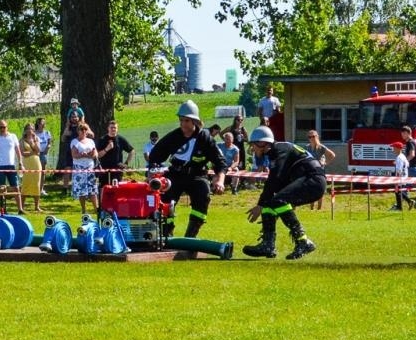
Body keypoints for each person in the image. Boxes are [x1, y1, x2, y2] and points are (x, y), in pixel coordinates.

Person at [242, 126, 326, 259]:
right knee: (271, 203)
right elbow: (279, 184)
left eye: (254, 145)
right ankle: (268, 245)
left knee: (276, 201)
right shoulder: (277, 150)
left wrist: (260, 205)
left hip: (313, 180)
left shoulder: (278, 151)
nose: (252, 149)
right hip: (310, 179)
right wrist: (265, 204)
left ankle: (303, 241)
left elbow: (274, 179)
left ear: (263, 144)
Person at [147, 101, 227, 239]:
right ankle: (166, 235)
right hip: (175, 175)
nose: (183, 124)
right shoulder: (173, 137)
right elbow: (155, 156)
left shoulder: (205, 138)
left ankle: (190, 237)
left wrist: (220, 181)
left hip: (198, 175)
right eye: (181, 120)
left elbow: (220, 163)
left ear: (195, 121)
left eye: (187, 120)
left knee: (203, 195)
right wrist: (152, 174)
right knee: (165, 201)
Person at [0, 119, 24, 212]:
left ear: (7, 127)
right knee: (1, 189)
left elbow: (17, 150)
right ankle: (3, 209)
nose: (2, 129)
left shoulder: (13, 136)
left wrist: (20, 162)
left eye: (3, 127)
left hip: (11, 166)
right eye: (0, 127)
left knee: (16, 187)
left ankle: (20, 209)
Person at [68, 121, 99, 215]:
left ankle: (96, 208)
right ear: (78, 131)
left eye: (85, 129)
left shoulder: (91, 141)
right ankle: (83, 209)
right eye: (82, 129)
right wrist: (82, 155)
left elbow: (95, 154)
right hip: (79, 168)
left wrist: (91, 155)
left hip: (90, 167)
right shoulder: (74, 141)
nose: (84, 131)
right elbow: (74, 155)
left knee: (92, 189)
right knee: (82, 190)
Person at [94, 119, 133, 188]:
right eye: (111, 127)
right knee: (104, 189)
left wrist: (126, 163)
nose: (113, 129)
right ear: (108, 128)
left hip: (117, 171)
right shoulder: (102, 139)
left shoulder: (120, 139)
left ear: (117, 129)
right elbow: (98, 155)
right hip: (104, 170)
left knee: (117, 190)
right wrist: (107, 149)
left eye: (115, 127)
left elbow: (132, 151)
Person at [303, 129, 335, 209]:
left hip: (320, 171)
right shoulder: (307, 147)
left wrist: (325, 163)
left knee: (320, 190)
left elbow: (332, 155)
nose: (311, 138)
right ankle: (311, 208)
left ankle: (319, 208)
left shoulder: (321, 147)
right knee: (311, 190)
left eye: (313, 136)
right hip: (310, 171)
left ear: (317, 137)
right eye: (309, 137)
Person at [19, 123, 44, 212]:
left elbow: (38, 151)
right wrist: (32, 152)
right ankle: (22, 206)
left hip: (36, 163)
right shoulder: (22, 140)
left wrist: (32, 143)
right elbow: (23, 153)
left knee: (36, 184)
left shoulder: (36, 138)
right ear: (25, 130)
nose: (30, 130)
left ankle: (37, 206)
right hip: (26, 164)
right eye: (28, 128)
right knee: (25, 184)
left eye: (32, 129)